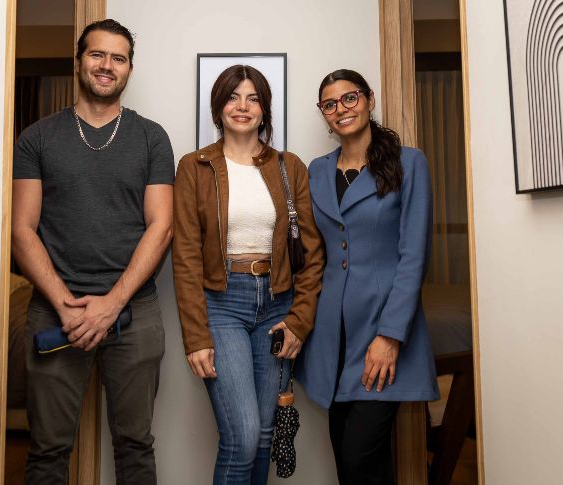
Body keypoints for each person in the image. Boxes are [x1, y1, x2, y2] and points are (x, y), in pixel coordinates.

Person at [11, 19, 174, 485]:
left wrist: (112, 304)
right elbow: (22, 230)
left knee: (135, 446)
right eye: (97, 55)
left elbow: (160, 227)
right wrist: (66, 303)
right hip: (54, 310)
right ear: (79, 61)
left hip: (134, 312)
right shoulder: (38, 137)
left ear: (129, 69)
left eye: (118, 58)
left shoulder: (151, 137)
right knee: (47, 449)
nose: (107, 66)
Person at [172, 64, 324, 485]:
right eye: (233, 97)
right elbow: (184, 255)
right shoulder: (194, 167)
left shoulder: (288, 166)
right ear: (218, 107)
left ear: (264, 109)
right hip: (222, 305)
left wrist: (300, 319)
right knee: (240, 437)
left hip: (278, 303)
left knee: (262, 436)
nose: (242, 106)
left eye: (253, 97)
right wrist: (196, 335)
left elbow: (311, 256)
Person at [294, 69, 439, 485]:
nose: (341, 109)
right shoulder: (316, 171)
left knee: (359, 462)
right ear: (323, 113)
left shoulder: (409, 162)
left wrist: (390, 336)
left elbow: (414, 257)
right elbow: (312, 252)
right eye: (330, 104)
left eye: (350, 98)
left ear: (369, 99)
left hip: (381, 332)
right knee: (353, 465)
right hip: (330, 340)